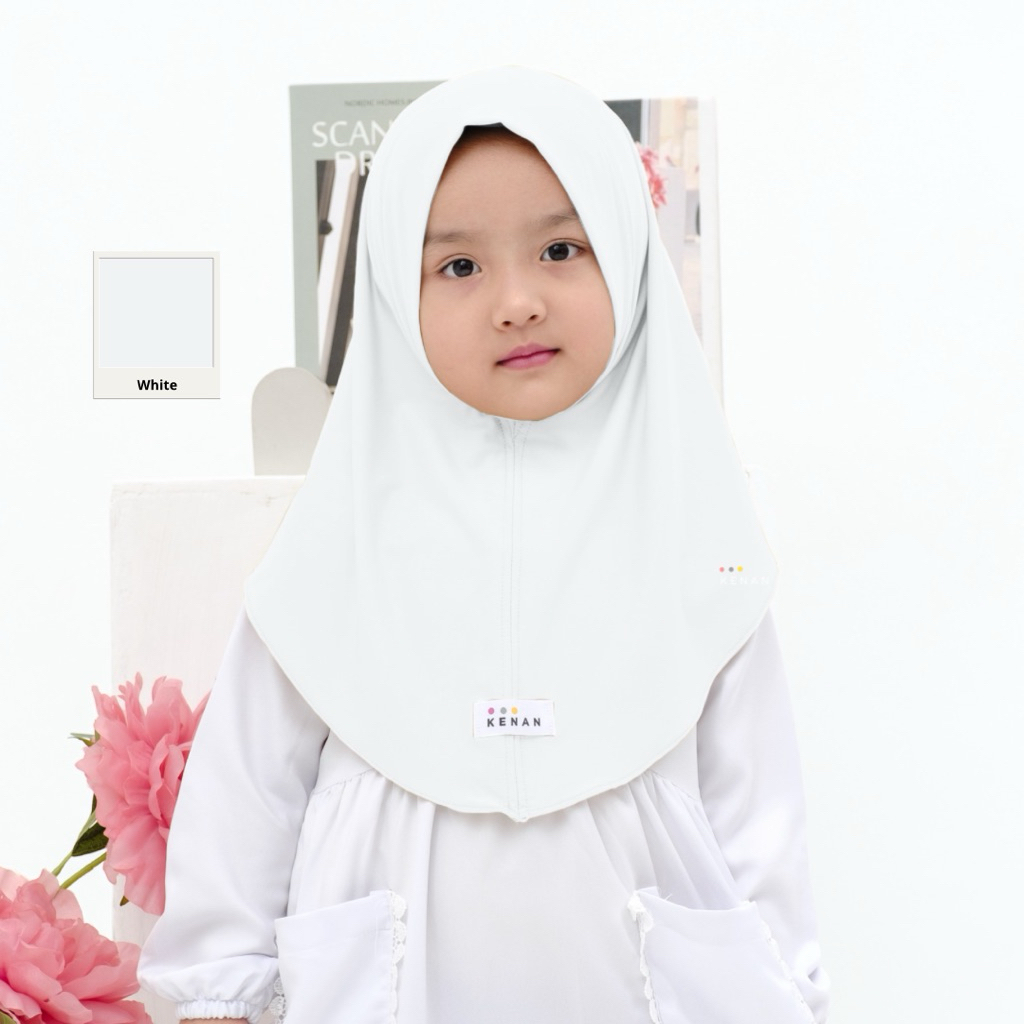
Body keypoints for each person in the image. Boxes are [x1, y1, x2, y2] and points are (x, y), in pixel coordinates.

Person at [138, 65, 831, 1024]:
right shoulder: (333, 551)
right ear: (393, 290)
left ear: (630, 257)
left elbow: (763, 823)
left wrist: (787, 992)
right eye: (458, 267)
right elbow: (245, 796)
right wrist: (215, 988)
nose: (517, 301)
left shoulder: (702, 546)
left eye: (561, 248)